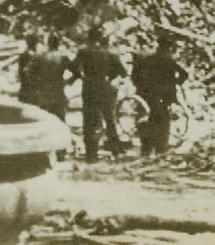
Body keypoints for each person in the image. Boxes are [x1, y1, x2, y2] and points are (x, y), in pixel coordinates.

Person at [70, 27, 127, 162]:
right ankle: (115, 150)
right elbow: (123, 71)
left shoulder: (84, 52)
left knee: (90, 120)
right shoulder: (108, 53)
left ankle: (92, 154)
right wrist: (110, 77)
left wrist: (81, 76)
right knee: (109, 118)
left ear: (89, 38)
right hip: (104, 86)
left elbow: (73, 67)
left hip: (90, 86)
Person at [130, 35, 188, 155]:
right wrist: (175, 83)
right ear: (168, 48)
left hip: (149, 95)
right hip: (165, 96)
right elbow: (184, 74)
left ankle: (146, 149)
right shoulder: (169, 60)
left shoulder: (149, 59)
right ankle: (160, 149)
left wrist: (140, 87)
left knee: (148, 121)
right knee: (163, 122)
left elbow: (136, 74)